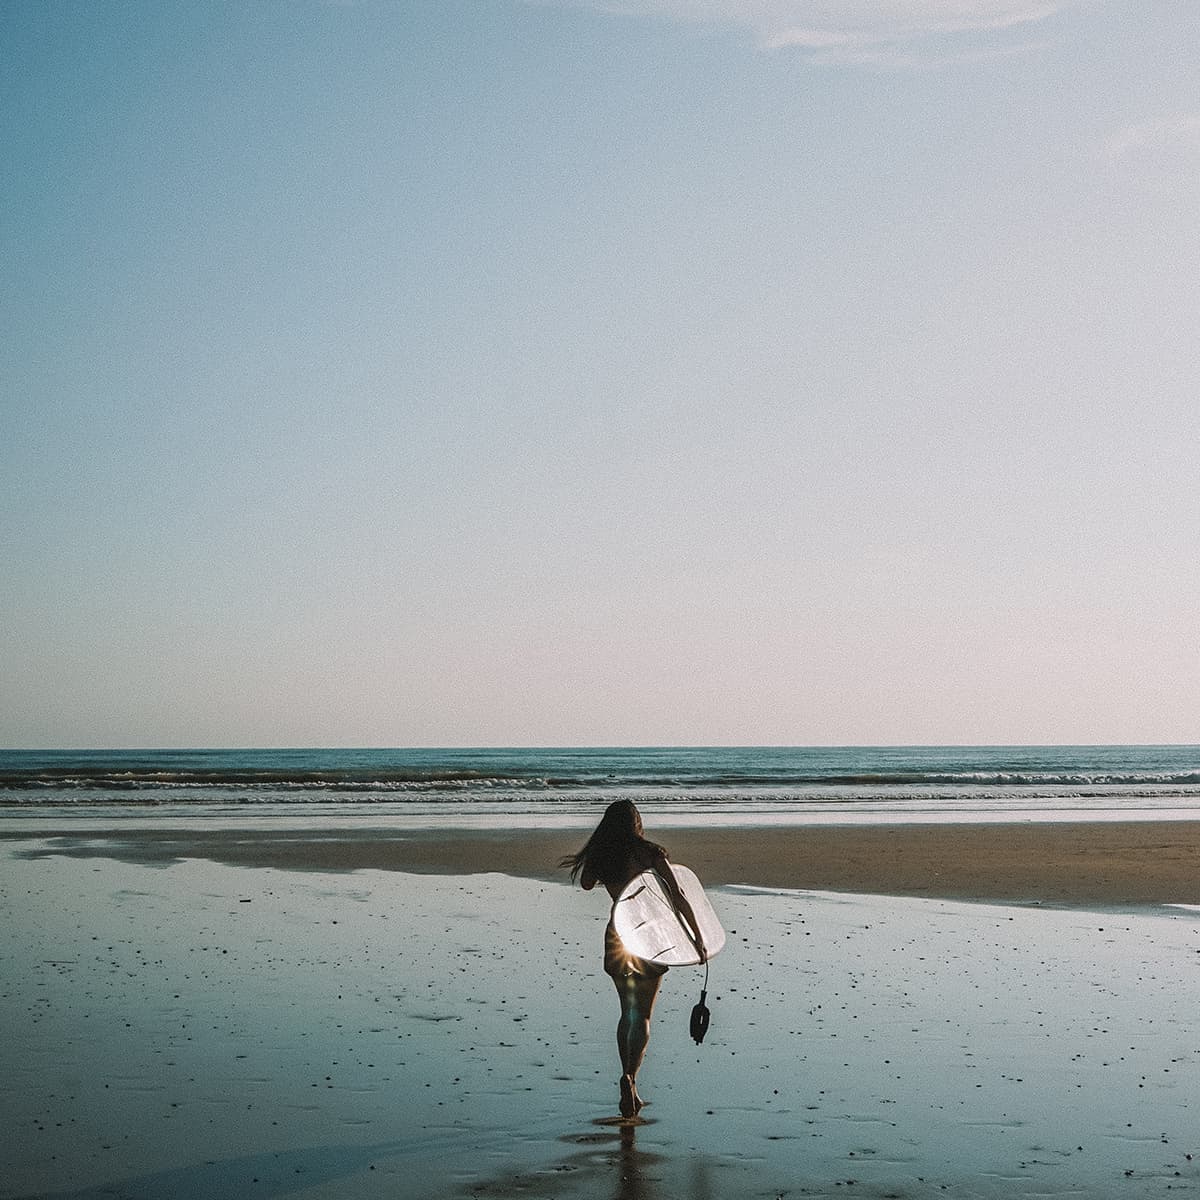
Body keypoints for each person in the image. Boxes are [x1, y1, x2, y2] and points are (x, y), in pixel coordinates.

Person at [562, 800, 706, 1118]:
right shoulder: (649, 852)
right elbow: (679, 895)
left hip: (618, 934)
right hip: (649, 938)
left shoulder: (604, 855)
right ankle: (631, 1077)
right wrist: (698, 937)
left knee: (626, 1012)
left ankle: (628, 1081)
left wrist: (600, 855)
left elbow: (586, 884)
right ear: (636, 823)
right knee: (642, 1016)